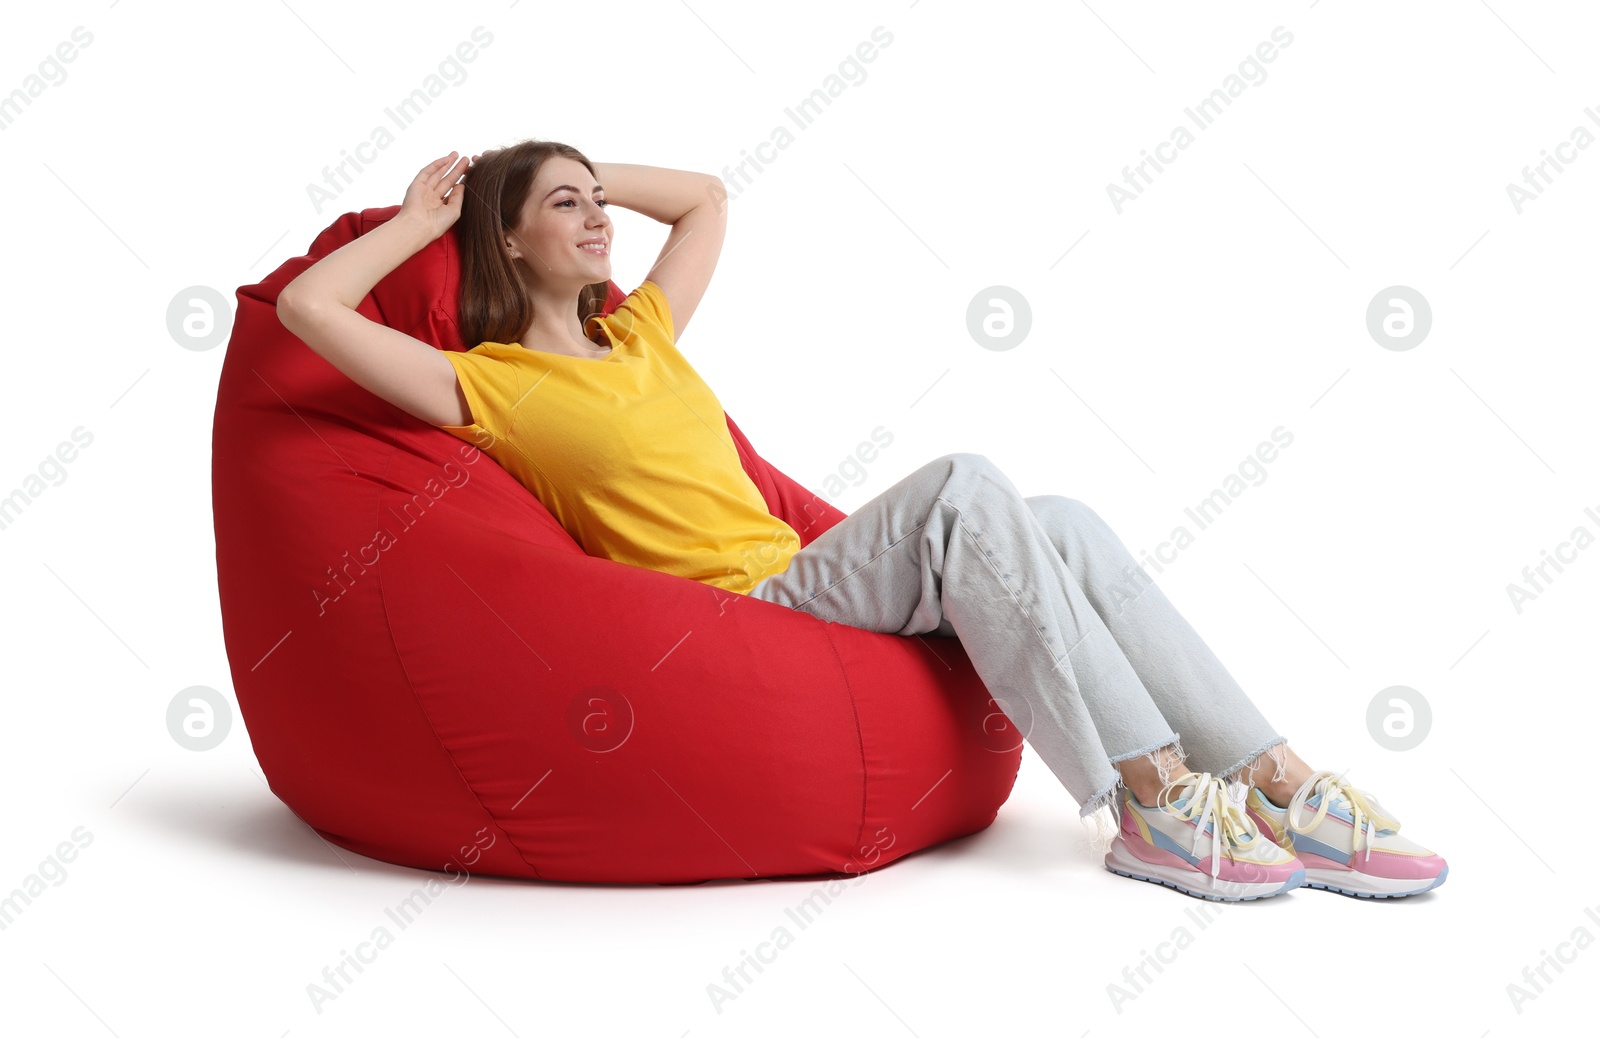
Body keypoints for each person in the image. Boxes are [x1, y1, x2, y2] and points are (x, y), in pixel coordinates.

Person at [276, 139, 1448, 902]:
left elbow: (706, 199)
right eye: (565, 208)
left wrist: (580, 165)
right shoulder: (489, 383)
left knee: (1069, 522)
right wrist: (438, 214)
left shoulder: (636, 333)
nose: (599, 222)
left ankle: (1278, 782)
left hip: (808, 580)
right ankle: (1147, 798)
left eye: (597, 205)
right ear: (507, 238)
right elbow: (306, 307)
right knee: (963, 485)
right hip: (736, 617)